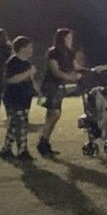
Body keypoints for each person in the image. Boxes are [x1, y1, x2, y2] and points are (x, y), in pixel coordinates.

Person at [37, 28, 84, 157]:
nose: (71, 40)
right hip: (50, 86)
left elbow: (76, 67)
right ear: (62, 39)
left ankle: (44, 143)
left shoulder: (70, 53)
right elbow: (55, 71)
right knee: (55, 113)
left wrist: (92, 70)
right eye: (68, 38)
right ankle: (42, 141)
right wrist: (71, 78)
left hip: (59, 87)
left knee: (52, 115)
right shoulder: (53, 52)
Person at [0, 36, 37, 161]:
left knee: (14, 125)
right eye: (30, 47)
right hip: (13, 98)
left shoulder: (27, 63)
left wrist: (39, 92)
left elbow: (31, 80)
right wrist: (28, 73)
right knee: (22, 124)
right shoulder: (12, 62)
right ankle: (22, 152)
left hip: (25, 98)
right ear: (22, 48)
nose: (32, 50)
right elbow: (10, 79)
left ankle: (6, 150)